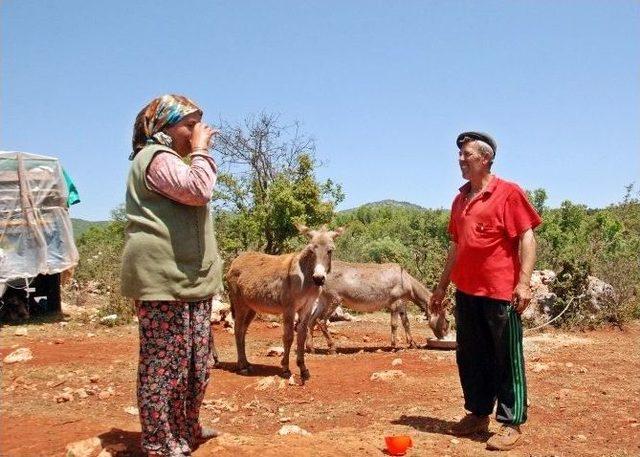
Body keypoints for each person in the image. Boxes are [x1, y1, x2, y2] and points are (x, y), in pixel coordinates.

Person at [121, 94, 224, 457]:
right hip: (162, 279)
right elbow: (199, 191)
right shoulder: (156, 158)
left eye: (199, 123)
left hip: (187, 279)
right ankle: (161, 441)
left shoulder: (172, 161)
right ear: (164, 126)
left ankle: (186, 428)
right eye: (189, 124)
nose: (198, 131)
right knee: (164, 365)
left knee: (195, 363)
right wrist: (201, 152)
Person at [430, 131, 541, 451]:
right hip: (467, 292)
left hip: (499, 293)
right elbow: (455, 246)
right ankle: (478, 414)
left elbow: (526, 238)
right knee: (471, 357)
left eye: (467, 155)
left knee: (506, 358)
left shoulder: (508, 193)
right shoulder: (459, 199)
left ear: (486, 159)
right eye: (460, 155)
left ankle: (512, 422)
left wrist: (523, 283)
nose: (460, 160)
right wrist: (441, 287)